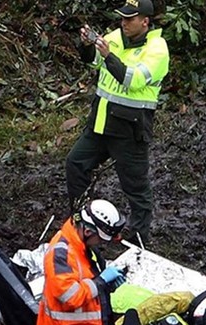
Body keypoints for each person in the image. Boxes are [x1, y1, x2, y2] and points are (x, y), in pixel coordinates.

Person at [65, 0, 170, 245]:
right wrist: (87, 46)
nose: (124, 23)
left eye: (130, 19)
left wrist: (108, 55)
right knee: (75, 164)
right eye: (123, 18)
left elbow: (131, 80)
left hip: (130, 131)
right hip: (99, 124)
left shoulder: (157, 49)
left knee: (136, 190)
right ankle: (81, 220)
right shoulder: (116, 36)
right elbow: (93, 62)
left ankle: (138, 241)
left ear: (145, 21)